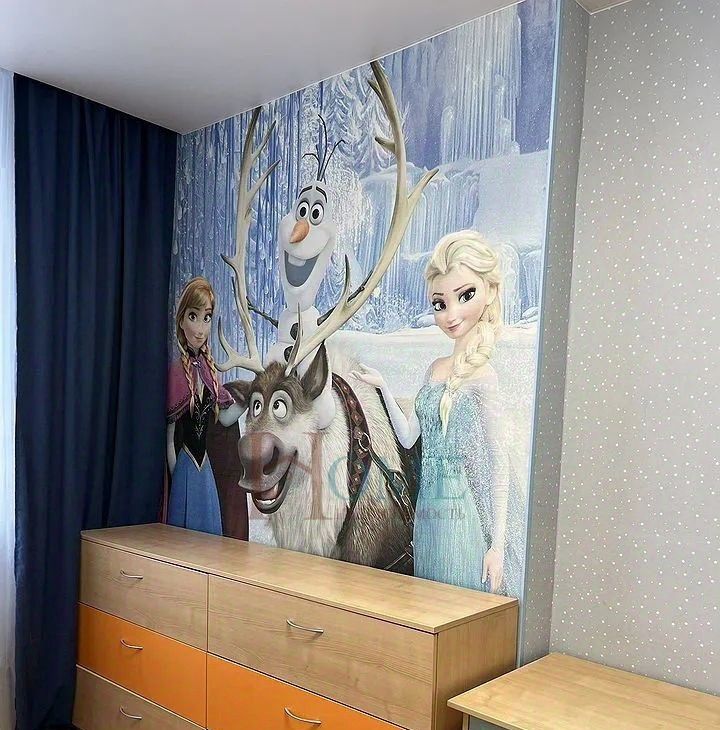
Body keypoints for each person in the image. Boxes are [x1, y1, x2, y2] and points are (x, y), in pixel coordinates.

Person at [352, 230, 512, 593]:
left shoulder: (484, 376)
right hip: (427, 514)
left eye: (465, 296)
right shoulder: (435, 368)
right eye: (440, 304)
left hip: (459, 512)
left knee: (455, 595)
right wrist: (384, 389)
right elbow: (409, 436)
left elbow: (498, 462)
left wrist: (497, 547)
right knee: (427, 598)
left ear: (489, 292)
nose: (451, 314)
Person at [166, 276, 243, 535]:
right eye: (193, 316)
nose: (200, 329)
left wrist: (252, 394)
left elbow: (224, 419)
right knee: (184, 538)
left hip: (204, 469)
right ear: (181, 320)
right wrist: (177, 477)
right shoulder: (177, 373)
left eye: (206, 318)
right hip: (186, 469)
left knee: (208, 537)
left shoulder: (209, 373)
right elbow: (169, 438)